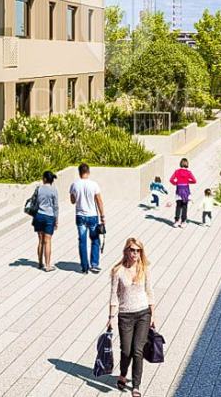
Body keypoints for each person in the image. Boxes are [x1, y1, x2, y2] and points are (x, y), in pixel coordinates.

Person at [108, 238, 155, 397]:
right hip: (125, 315)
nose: (135, 253)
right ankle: (123, 374)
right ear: (126, 251)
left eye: (138, 250)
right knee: (126, 350)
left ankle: (136, 385)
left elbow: (149, 291)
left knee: (137, 350)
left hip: (143, 314)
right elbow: (114, 296)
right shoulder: (118, 271)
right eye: (132, 250)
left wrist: (153, 314)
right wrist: (111, 317)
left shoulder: (144, 269)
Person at [69, 162, 105, 274]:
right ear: (88, 172)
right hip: (92, 215)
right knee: (95, 239)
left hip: (80, 216)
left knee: (82, 241)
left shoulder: (74, 185)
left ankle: (84, 267)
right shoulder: (94, 185)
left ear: (79, 172)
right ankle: (94, 264)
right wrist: (102, 216)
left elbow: (72, 201)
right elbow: (99, 201)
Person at [33, 170, 59, 272]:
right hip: (49, 216)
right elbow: (55, 206)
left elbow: (36, 202)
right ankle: (47, 265)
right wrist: (56, 220)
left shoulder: (39, 189)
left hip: (39, 215)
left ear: (44, 179)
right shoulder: (54, 190)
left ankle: (40, 263)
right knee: (47, 241)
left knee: (40, 240)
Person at [169, 158, 197, 228]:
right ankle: (183, 222)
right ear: (187, 164)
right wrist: (187, 181)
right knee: (185, 206)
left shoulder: (177, 171)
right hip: (186, 191)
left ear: (180, 163)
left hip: (179, 191)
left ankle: (176, 221)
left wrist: (177, 183)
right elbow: (194, 181)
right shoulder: (189, 172)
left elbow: (171, 180)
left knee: (178, 206)